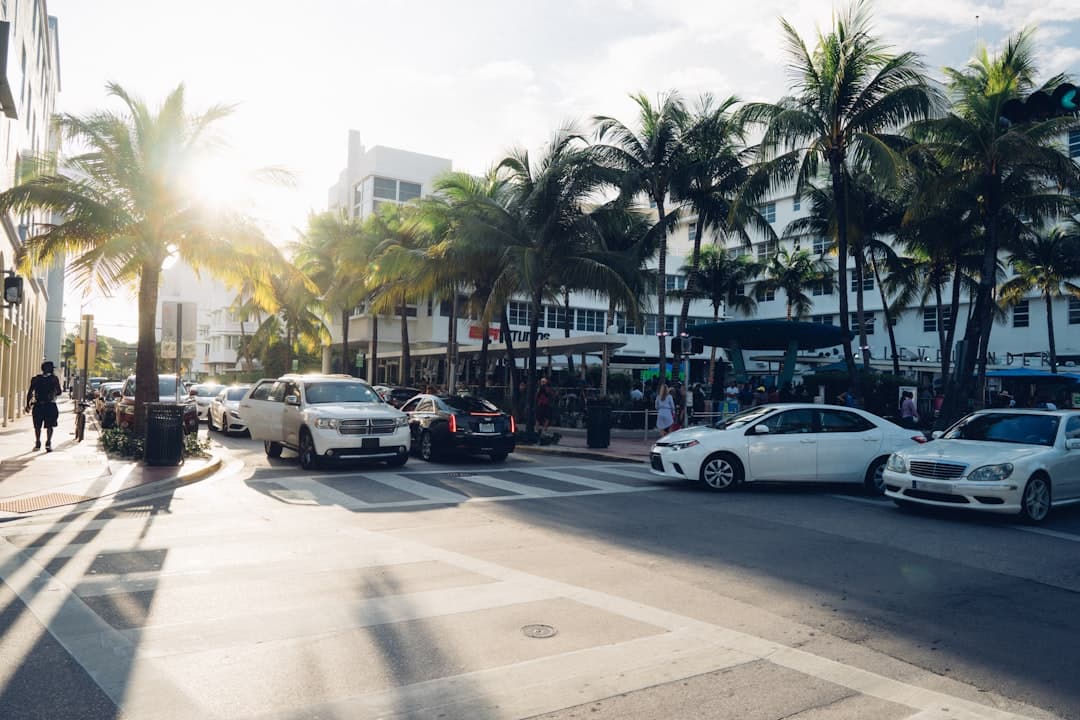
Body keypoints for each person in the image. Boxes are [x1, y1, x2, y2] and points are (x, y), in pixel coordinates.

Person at [25, 360, 63, 452]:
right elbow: (59, 392)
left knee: (37, 426)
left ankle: (38, 442)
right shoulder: (54, 379)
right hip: (50, 405)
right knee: (50, 426)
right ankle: (48, 443)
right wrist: (53, 391)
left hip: (38, 405)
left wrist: (27, 405)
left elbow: (30, 392)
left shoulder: (35, 379)